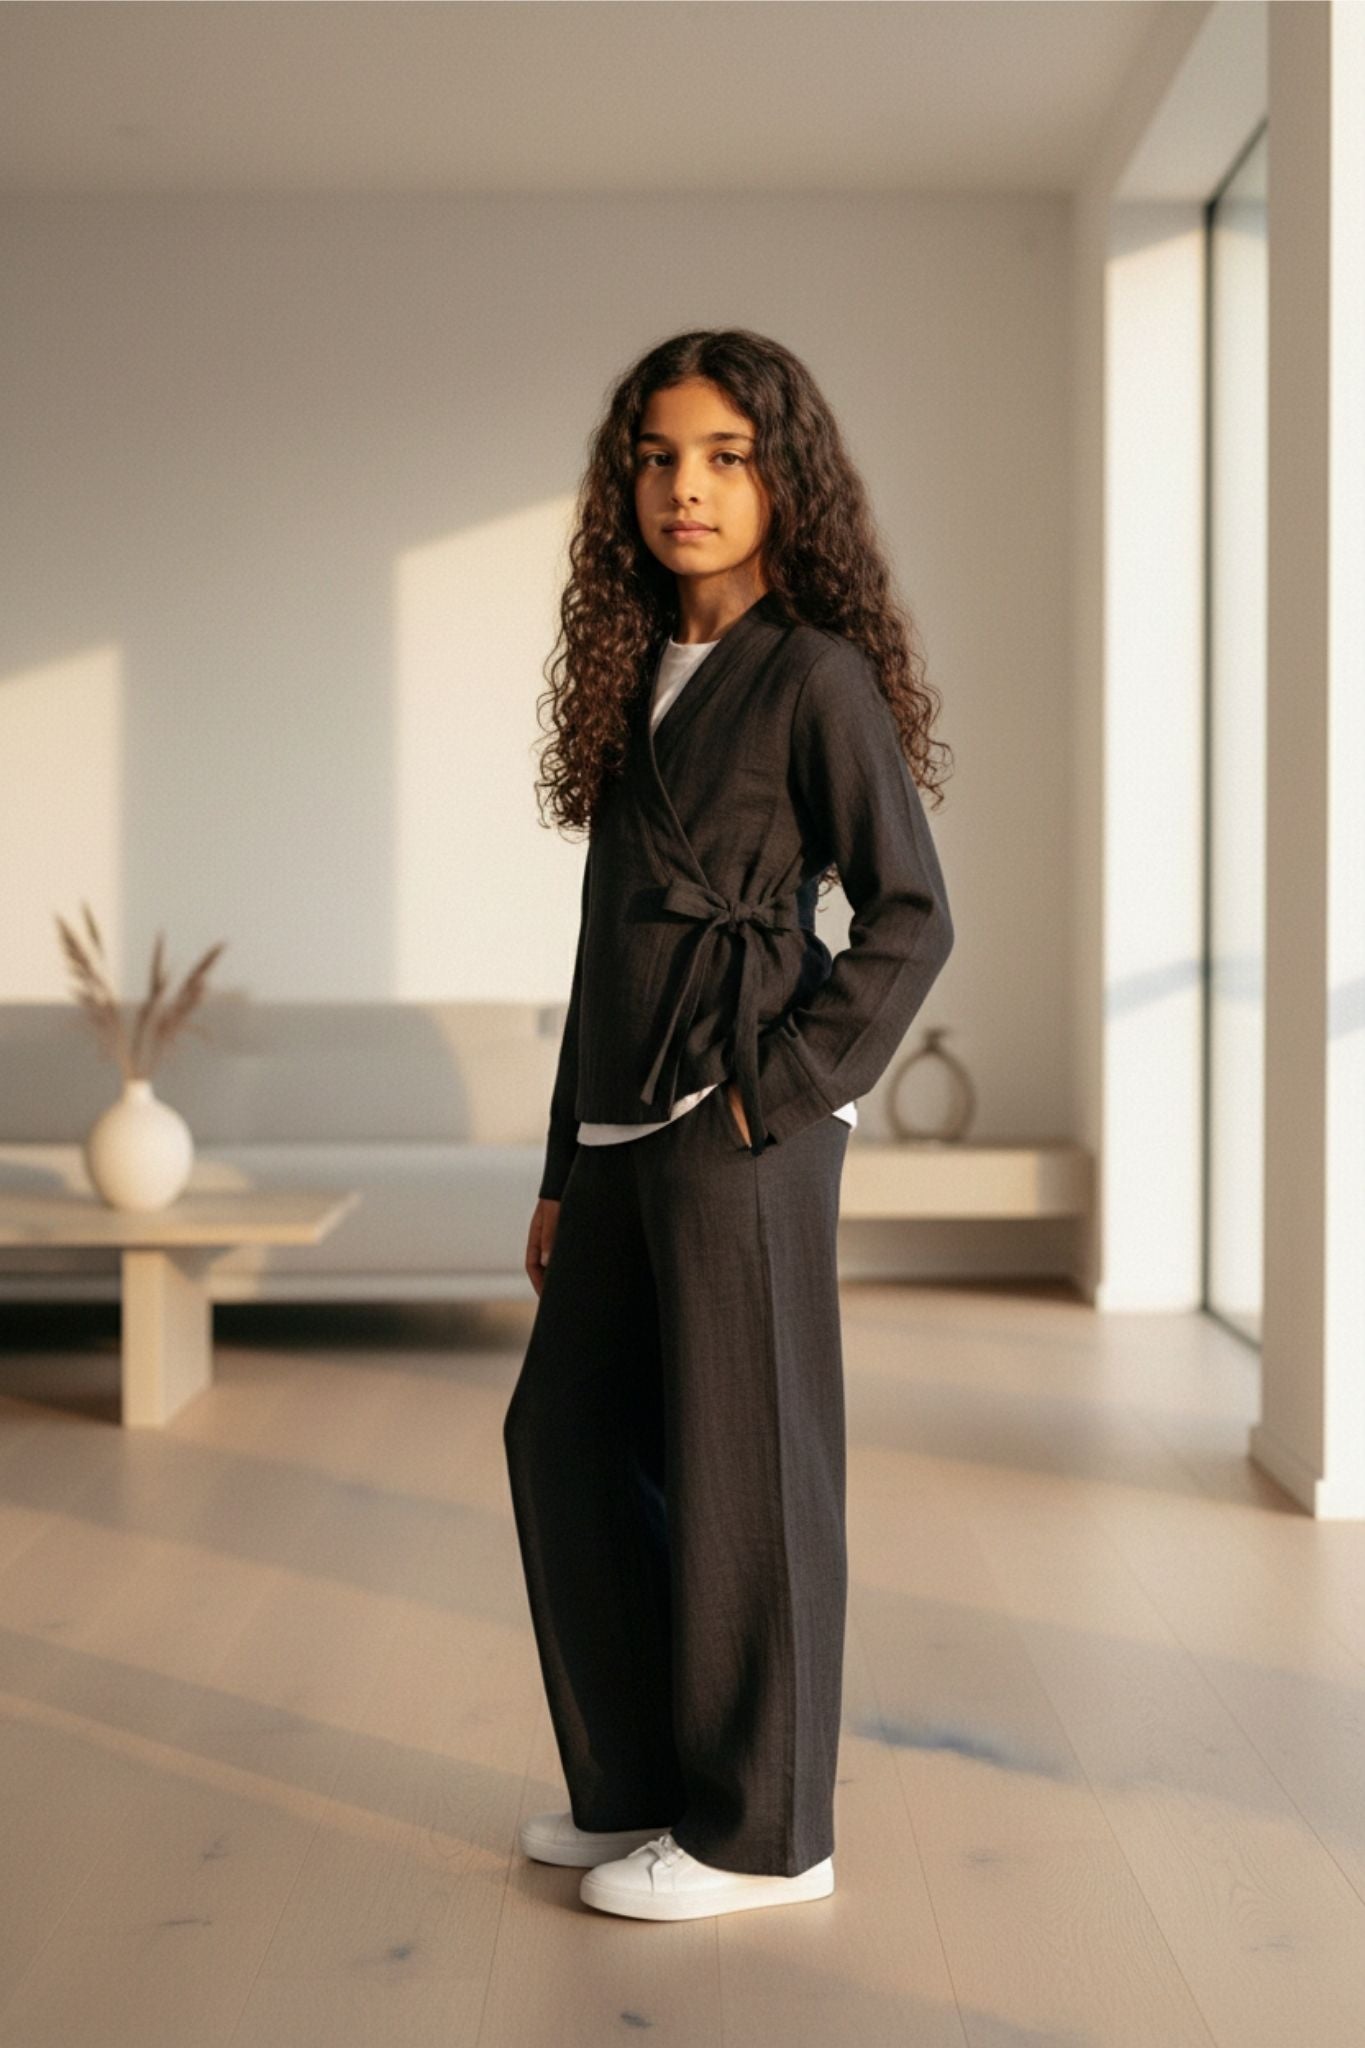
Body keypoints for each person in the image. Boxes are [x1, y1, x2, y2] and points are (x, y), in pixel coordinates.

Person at [503, 327, 955, 1922]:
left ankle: (766, 1835)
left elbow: (910, 915)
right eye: (657, 457)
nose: (684, 487)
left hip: (739, 1114)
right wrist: (563, 1165)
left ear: (781, 482)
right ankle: (640, 1787)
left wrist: (779, 1092)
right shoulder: (637, 680)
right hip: (622, 1126)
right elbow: (602, 946)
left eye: (723, 456)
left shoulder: (812, 674)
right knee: (561, 1438)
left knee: (746, 1467)